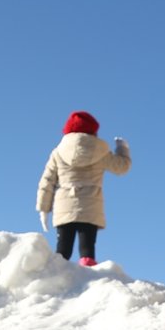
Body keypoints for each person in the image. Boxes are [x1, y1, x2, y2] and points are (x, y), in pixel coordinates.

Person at [36, 110, 131, 266]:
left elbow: (47, 181)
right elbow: (122, 167)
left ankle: (57, 275)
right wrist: (123, 149)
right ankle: (89, 276)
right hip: (91, 205)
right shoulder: (101, 152)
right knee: (87, 250)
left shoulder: (58, 152)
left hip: (64, 205)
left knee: (63, 250)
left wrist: (43, 208)